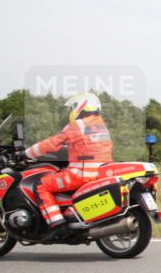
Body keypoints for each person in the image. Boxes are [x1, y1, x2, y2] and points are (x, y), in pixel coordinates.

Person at [24, 92, 114, 228]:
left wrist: (27, 153)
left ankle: (55, 222)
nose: (71, 112)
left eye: (72, 108)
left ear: (80, 107)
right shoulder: (101, 125)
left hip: (81, 174)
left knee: (41, 185)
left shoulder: (77, 125)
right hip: (100, 172)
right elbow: (87, 145)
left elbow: (51, 143)